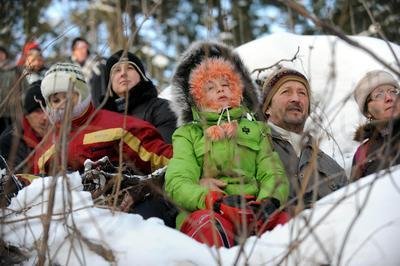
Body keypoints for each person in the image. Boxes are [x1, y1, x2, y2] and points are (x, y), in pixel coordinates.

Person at [165, 41, 289, 248]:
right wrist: (210, 199)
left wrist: (269, 201)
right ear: (198, 99)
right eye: (211, 88)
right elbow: (177, 181)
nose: (221, 90)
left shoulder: (257, 130)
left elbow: (272, 171)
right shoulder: (188, 134)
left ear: (238, 92)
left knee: (288, 225)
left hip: (253, 208)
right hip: (208, 210)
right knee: (209, 230)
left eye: (226, 85)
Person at [32, 62, 176, 226]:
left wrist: (139, 190)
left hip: (123, 214)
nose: (62, 103)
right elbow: (35, 190)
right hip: (70, 223)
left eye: (69, 95)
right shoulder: (45, 149)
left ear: (82, 92)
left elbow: (170, 162)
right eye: (55, 99)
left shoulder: (120, 126)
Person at [261, 67, 347, 212]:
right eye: (286, 92)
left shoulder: (331, 166)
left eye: (302, 93)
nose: (296, 98)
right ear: (267, 107)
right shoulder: (251, 149)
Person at [102, 50, 177, 143]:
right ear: (109, 83)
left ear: (141, 76)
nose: (123, 73)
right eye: (117, 70)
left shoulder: (163, 108)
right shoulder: (100, 121)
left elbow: (164, 151)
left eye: (129, 68)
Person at [351, 70, 400, 180]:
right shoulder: (362, 153)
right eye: (379, 94)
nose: (389, 98)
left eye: (393, 91)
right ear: (368, 111)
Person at [0, 81, 49, 173]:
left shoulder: (61, 131)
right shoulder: (10, 141)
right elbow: (15, 182)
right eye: (38, 111)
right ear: (26, 115)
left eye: (48, 109)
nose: (45, 117)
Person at [69, 37, 106, 107]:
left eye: (83, 47)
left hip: (100, 107)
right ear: (73, 51)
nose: (81, 51)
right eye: (78, 48)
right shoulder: (70, 71)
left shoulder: (98, 65)